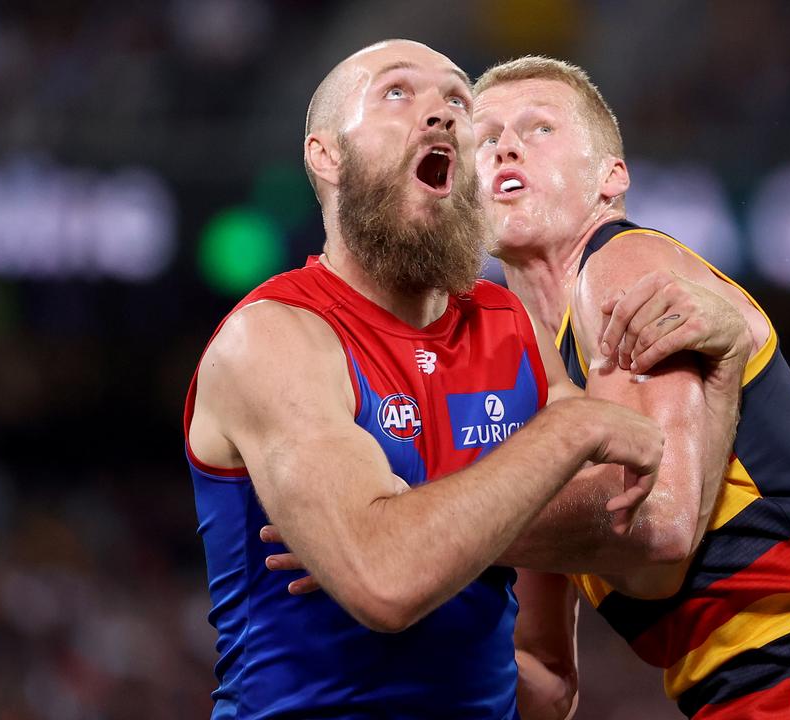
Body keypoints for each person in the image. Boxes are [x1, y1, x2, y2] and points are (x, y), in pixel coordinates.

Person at [184, 40, 745, 719]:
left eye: (457, 99)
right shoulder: (276, 336)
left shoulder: (508, 327)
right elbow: (386, 580)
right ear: (326, 154)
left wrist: (415, 524)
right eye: (398, 92)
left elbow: (639, 528)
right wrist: (563, 433)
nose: (445, 115)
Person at [464, 57, 790, 719]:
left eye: (539, 128)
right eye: (484, 138)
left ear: (611, 177)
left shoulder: (623, 265)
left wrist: (418, 525)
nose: (506, 145)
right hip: (769, 693)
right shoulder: (523, 411)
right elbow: (545, 683)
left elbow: (659, 529)